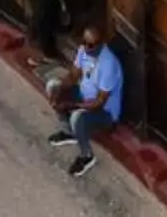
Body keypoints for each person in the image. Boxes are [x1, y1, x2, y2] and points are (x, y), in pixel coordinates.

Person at [47, 25, 123, 179]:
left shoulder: (108, 64)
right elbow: (73, 76)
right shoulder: (83, 50)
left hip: (105, 113)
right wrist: (60, 88)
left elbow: (99, 102)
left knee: (77, 116)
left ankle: (86, 155)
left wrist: (72, 105)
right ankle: (70, 132)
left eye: (91, 45)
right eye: (84, 42)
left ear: (101, 44)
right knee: (52, 85)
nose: (86, 48)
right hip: (84, 95)